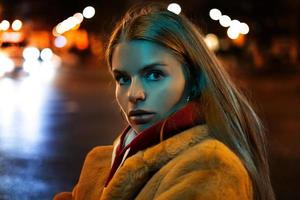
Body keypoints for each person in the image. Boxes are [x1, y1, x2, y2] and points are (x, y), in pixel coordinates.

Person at [54, 2, 275, 200]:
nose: (134, 93)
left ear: (193, 79)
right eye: (123, 78)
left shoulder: (211, 167)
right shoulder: (103, 162)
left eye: (154, 75)